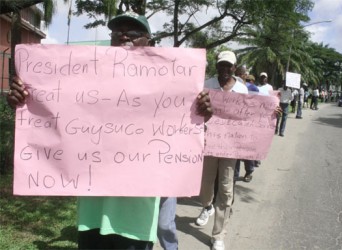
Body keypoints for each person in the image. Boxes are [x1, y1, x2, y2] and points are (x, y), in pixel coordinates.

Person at [7, 12, 213, 250]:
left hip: (137, 217)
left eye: (134, 33)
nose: (124, 35)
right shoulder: (86, 76)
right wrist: (23, 101)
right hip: (92, 213)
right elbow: (52, 109)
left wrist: (199, 114)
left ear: (149, 41)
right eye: (117, 32)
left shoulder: (171, 83)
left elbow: (183, 138)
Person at [196, 51, 248, 250]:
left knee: (226, 190)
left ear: (234, 68)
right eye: (221, 65)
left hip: (230, 146)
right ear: (216, 66)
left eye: (229, 66)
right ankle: (207, 207)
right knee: (205, 185)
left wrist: (271, 112)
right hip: (208, 142)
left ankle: (218, 235)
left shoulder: (242, 88)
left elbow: (250, 115)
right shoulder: (207, 85)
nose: (224, 69)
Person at [233, 66, 259, 182]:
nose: (239, 76)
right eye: (238, 73)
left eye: (241, 74)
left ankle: (249, 171)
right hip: (234, 124)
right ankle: (235, 175)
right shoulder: (231, 86)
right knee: (235, 152)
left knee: (246, 150)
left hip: (247, 123)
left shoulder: (252, 88)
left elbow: (257, 105)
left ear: (245, 75)